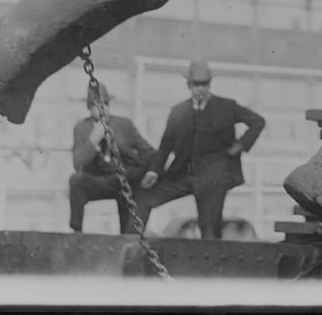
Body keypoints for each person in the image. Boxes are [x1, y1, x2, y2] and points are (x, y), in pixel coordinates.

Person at [136, 60, 265, 239]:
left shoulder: (226, 106)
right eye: (196, 84)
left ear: (209, 84)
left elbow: (257, 122)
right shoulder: (178, 112)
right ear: (188, 85)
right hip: (182, 173)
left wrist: (240, 146)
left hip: (214, 174)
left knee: (210, 226)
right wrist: (153, 172)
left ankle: (210, 262)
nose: (201, 89)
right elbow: (165, 147)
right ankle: (133, 243)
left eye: (204, 84)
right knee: (144, 196)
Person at [69, 83, 157, 234]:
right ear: (89, 108)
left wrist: (149, 172)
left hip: (125, 180)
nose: (102, 109)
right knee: (76, 181)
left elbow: (149, 153)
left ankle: (130, 237)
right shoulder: (81, 128)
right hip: (100, 181)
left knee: (129, 230)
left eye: (104, 104)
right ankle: (76, 232)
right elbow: (77, 163)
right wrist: (93, 141)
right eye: (96, 106)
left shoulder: (124, 125)